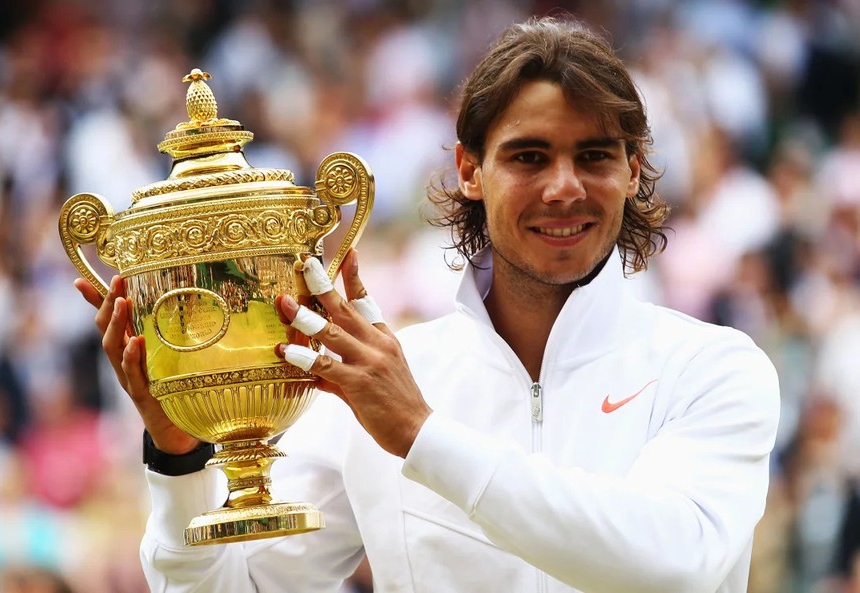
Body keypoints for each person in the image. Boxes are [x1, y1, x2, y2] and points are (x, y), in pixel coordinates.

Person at [75, 16, 780, 593]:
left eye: (594, 156)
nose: (564, 187)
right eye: (528, 157)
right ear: (470, 169)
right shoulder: (390, 378)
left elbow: (674, 560)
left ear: (632, 169)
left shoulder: (713, 367)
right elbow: (225, 588)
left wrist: (422, 434)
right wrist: (180, 458)